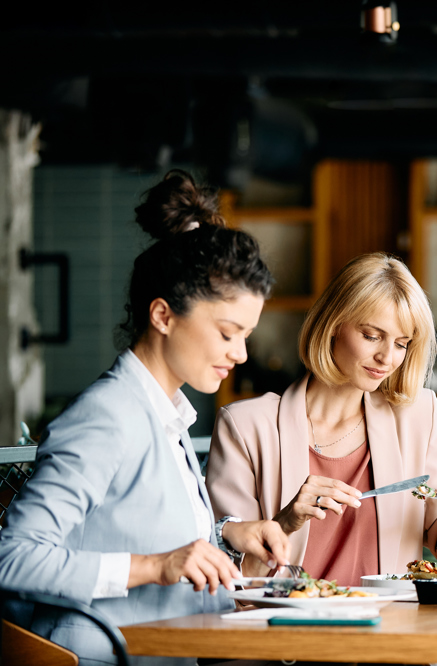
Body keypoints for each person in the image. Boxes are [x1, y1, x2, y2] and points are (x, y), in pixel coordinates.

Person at [0, 171, 290, 666]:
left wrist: (226, 535)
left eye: (246, 336)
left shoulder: (163, 414)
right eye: (227, 333)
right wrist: (156, 566)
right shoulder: (108, 415)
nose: (241, 354)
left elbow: (122, 524)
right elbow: (13, 557)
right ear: (162, 316)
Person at [207, 252, 437, 584]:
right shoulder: (245, 427)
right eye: (372, 336)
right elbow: (228, 577)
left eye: (402, 344)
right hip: (285, 630)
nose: (387, 358)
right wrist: (285, 522)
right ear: (333, 325)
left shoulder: (419, 416)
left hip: (388, 629)